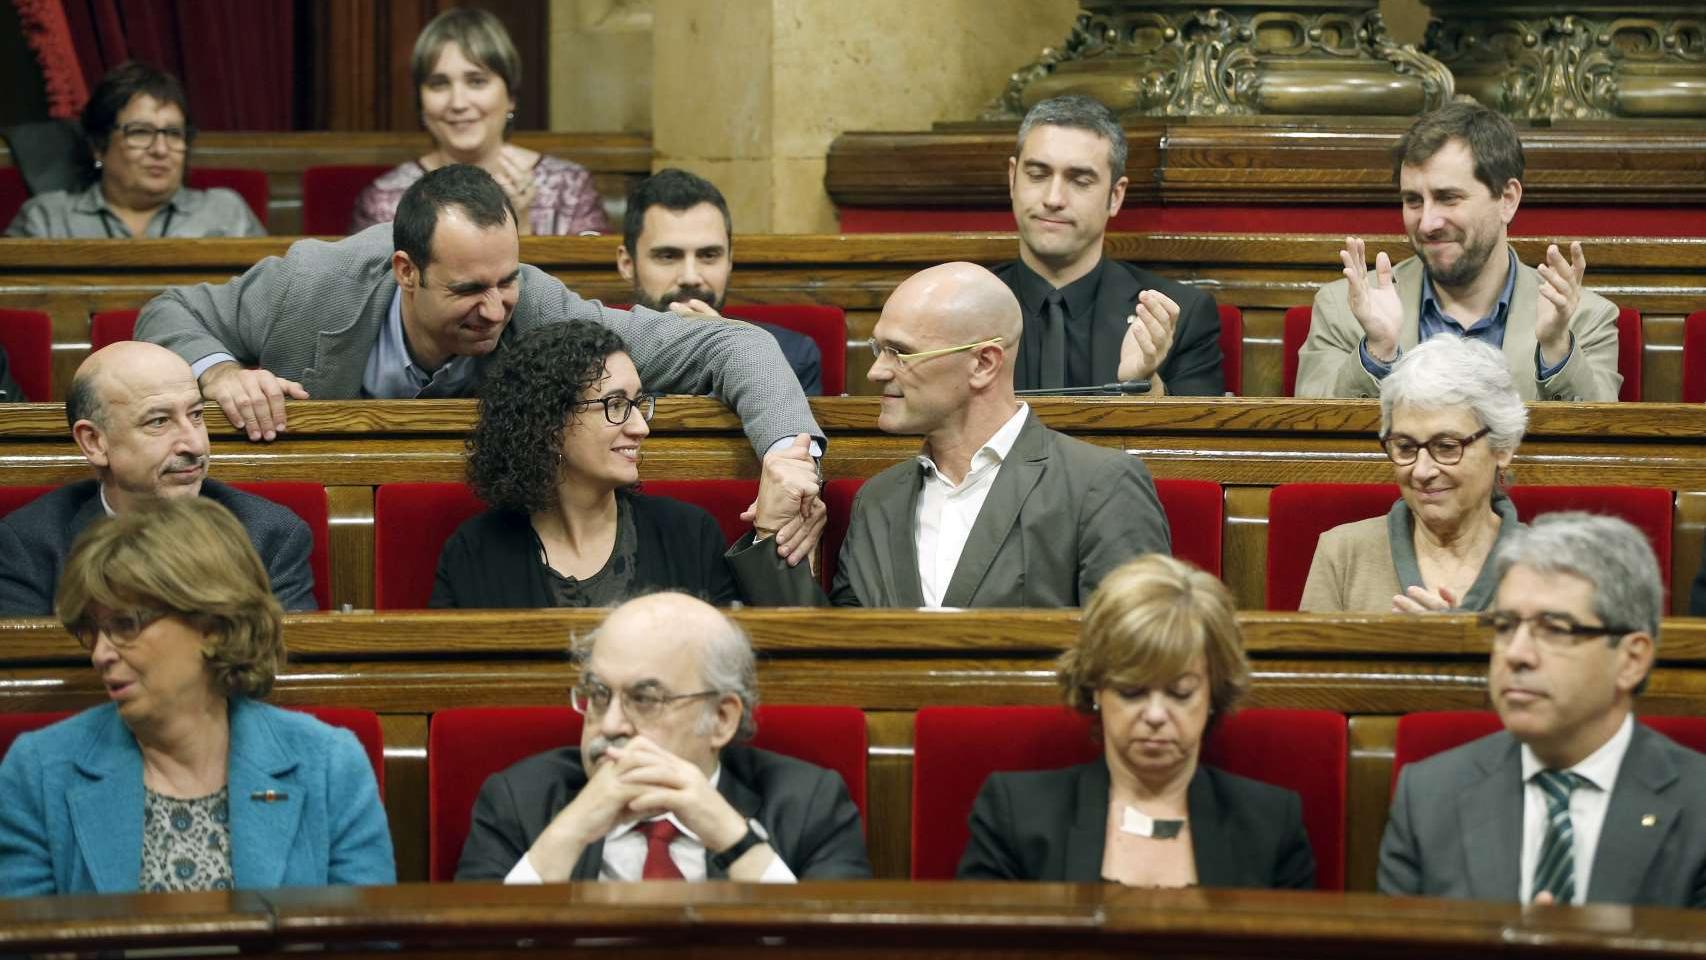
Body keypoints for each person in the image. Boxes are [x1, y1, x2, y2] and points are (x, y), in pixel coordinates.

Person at [135, 163, 821, 462]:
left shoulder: (539, 306)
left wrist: (790, 456)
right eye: (468, 290)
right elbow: (165, 312)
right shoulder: (314, 282)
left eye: (506, 281)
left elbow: (734, 345)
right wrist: (220, 373)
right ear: (406, 272)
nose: (495, 310)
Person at [0, 496, 394, 895]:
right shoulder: (39, 772)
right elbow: (28, 931)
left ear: (212, 624)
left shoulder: (329, 766)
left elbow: (367, 929)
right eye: (93, 631)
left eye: (126, 624)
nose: (101, 654)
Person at [729, 261, 1171, 607]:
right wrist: (770, 534)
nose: (876, 371)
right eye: (880, 348)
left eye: (900, 353)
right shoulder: (878, 500)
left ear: (983, 364)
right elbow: (838, 660)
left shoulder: (1100, 485)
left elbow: (1137, 659)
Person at [1380, 513, 1706, 906]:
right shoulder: (1429, 796)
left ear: (1631, 660)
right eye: (1505, 626)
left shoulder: (1698, 805)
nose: (1516, 654)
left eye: (1554, 629)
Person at [455, 592, 871, 882]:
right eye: (598, 695)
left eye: (644, 699)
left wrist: (733, 838)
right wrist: (569, 832)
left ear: (722, 718)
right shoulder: (519, 801)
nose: (610, 725)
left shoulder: (808, 804)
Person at [957, 555, 1315, 887]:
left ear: (1213, 693)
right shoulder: (1015, 816)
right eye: (1132, 692)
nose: (1156, 715)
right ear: (1096, 688)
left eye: (1180, 693)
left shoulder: (1271, 825)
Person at [1297, 102, 1619, 401]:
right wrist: (1377, 352)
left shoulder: (1583, 318)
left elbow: (1601, 437)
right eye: (1413, 201)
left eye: (1448, 198)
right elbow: (1311, 432)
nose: (1427, 223)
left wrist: (1557, 348)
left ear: (1507, 199)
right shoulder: (1345, 309)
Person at [431, 320, 763, 608]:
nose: (641, 427)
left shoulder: (688, 534)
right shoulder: (474, 552)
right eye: (616, 404)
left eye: (638, 403)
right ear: (549, 423)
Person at [0, 342, 314, 615]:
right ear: (94, 442)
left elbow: (286, 662)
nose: (194, 445)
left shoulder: (269, 534)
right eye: (159, 421)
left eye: (196, 415)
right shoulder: (28, 546)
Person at [991, 95, 1223, 397]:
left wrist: (1143, 385)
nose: (1053, 198)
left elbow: (1196, 427)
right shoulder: (955, 311)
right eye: (1037, 175)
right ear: (1012, 179)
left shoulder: (1179, 316)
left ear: (1115, 196)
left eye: (1080, 181)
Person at [1300, 336, 1527, 613]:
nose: (1421, 471)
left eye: (1446, 447)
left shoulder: (1556, 566)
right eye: (1406, 447)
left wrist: (1458, 637)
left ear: (1502, 448)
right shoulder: (1343, 553)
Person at [349, 7, 607, 236]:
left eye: (476, 81)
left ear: (511, 96)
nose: (458, 103)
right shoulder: (385, 199)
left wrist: (522, 228)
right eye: (439, 84)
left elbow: (591, 275)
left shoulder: (568, 187)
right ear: (421, 101)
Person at [618, 169, 822, 395]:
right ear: (627, 264)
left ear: (729, 261)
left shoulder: (792, 357)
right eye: (668, 256)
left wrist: (728, 355)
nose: (690, 277)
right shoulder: (595, 360)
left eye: (708, 255)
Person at [5, 62, 264, 239]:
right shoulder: (47, 219)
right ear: (99, 147)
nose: (160, 150)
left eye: (174, 133)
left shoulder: (225, 212)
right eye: (140, 132)